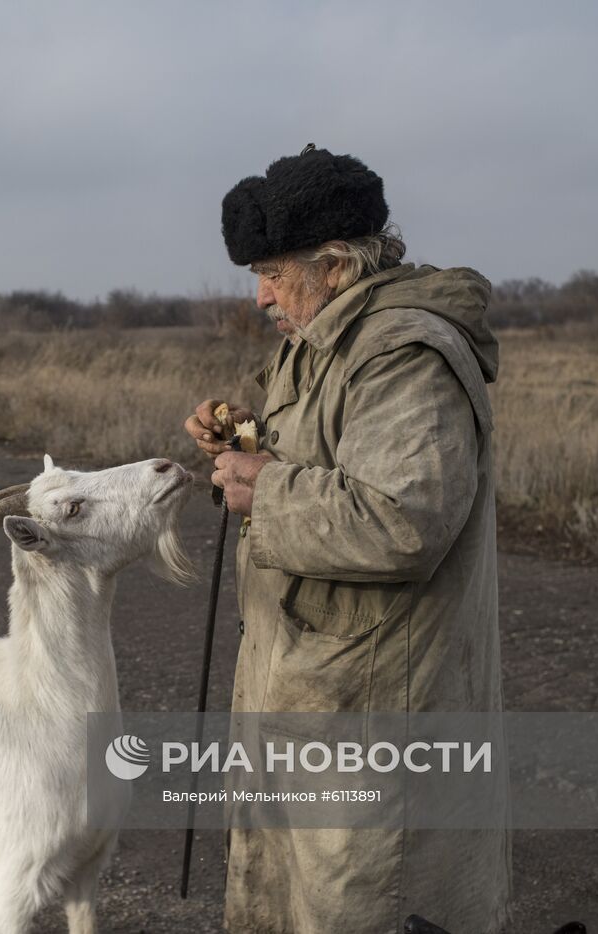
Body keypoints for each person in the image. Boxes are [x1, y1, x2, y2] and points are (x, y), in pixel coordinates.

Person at [185, 145, 511, 933]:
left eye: (272, 273)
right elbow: (310, 446)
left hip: (371, 714)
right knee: (299, 900)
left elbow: (404, 520)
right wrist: (236, 434)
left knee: (366, 903)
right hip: (313, 693)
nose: (261, 297)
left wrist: (265, 486)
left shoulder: (402, 354)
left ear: (334, 265)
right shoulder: (318, 340)